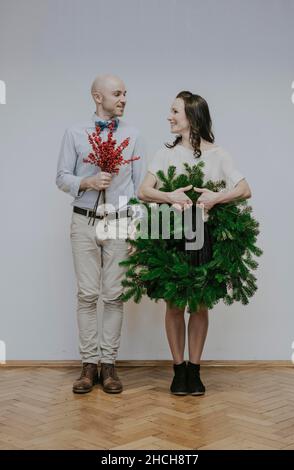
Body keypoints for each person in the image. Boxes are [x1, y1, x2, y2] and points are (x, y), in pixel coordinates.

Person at [138, 91, 251, 396]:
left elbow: (244, 188)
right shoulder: (165, 154)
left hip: (204, 235)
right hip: (172, 236)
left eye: (175, 111)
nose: (169, 117)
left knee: (199, 306)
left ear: (192, 116)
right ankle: (178, 370)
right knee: (174, 305)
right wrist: (169, 196)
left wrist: (216, 197)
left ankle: (195, 370)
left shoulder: (219, 155)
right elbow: (143, 191)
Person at [56, 74, 147, 394]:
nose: (123, 99)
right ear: (98, 96)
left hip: (120, 221)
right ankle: (88, 365)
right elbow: (61, 176)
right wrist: (87, 182)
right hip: (83, 220)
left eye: (125, 93)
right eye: (117, 93)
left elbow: (139, 189)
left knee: (114, 295)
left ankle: (109, 365)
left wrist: (138, 231)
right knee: (87, 294)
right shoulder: (74, 132)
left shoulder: (133, 135)